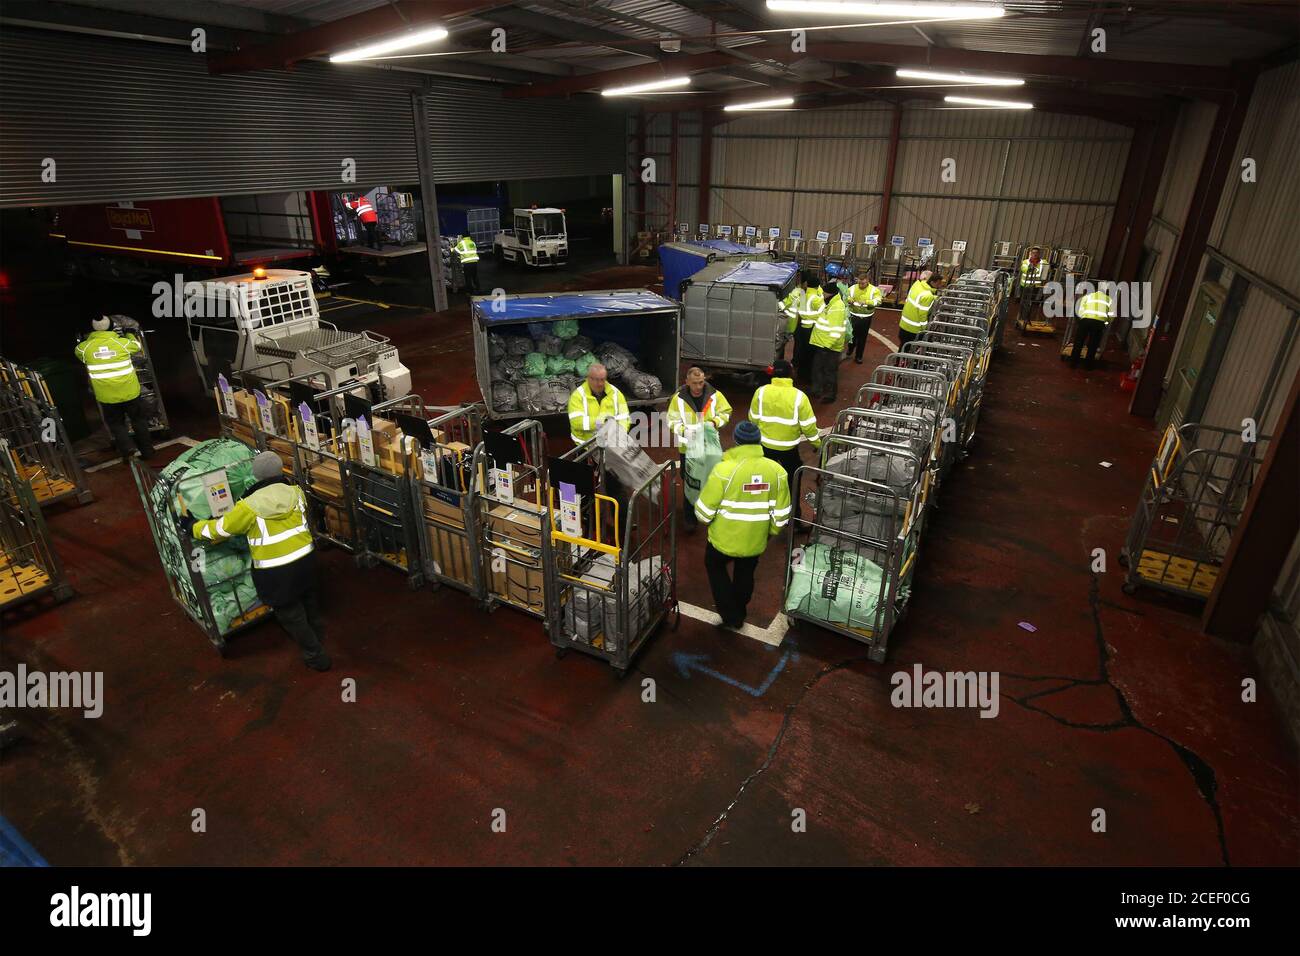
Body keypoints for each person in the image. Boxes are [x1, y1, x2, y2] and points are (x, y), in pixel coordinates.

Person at [185, 451, 330, 671]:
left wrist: (192, 526)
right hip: (306, 560)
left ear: (256, 475)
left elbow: (219, 530)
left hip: (276, 571)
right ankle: (318, 635)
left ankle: (315, 654)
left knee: (290, 613)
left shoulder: (248, 506)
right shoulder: (296, 492)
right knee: (309, 600)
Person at [694, 420, 791, 630]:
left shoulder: (724, 470)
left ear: (736, 441)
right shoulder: (777, 471)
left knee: (714, 566)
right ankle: (739, 609)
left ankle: (730, 614)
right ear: (759, 442)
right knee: (745, 573)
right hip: (756, 539)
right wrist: (770, 532)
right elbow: (782, 515)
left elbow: (703, 513)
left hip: (722, 539)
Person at [74, 316, 154, 461]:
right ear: (111, 327)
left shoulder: (84, 348)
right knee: (138, 421)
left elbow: (80, 352)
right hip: (130, 392)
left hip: (107, 396)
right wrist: (129, 332)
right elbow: (136, 346)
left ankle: (127, 448)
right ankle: (147, 452)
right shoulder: (122, 343)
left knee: (116, 424)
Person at [749, 359, 821, 518]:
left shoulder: (761, 392)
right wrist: (818, 444)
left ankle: (761, 515)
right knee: (792, 484)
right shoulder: (799, 397)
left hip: (765, 447)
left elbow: (753, 419)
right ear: (791, 374)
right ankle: (793, 518)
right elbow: (808, 426)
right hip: (788, 450)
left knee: (763, 483)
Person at [667, 367, 732, 531]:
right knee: (690, 482)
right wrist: (684, 431)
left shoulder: (715, 395)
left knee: (711, 480)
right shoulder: (678, 399)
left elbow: (726, 412)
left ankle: (708, 512)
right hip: (688, 448)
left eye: (701, 382)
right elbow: (671, 421)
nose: (698, 386)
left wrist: (715, 422)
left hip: (709, 447)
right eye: (695, 383)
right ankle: (690, 519)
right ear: (687, 382)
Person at [567, 363, 629, 446]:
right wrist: (603, 422)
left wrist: (616, 434)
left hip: (611, 444)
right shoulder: (577, 396)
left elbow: (624, 418)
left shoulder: (616, 393)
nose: (599, 383)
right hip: (586, 446)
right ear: (589, 379)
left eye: (602, 379)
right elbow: (577, 422)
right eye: (596, 379)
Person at [809, 288, 852, 403]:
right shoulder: (829, 303)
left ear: (830, 293)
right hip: (823, 344)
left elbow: (836, 329)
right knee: (818, 368)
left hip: (829, 347)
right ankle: (817, 390)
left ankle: (830, 395)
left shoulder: (837, 307)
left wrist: (828, 345)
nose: (822, 294)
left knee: (829, 371)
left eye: (824, 292)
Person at [842, 271, 884, 364]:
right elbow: (846, 296)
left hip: (866, 318)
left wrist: (867, 302)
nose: (861, 285)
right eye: (859, 283)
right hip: (854, 315)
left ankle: (859, 356)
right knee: (852, 335)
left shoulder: (874, 290)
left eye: (863, 283)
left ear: (868, 281)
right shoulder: (852, 288)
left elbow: (878, 301)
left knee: (862, 338)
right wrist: (850, 300)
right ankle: (850, 349)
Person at [1071, 283, 1115, 369]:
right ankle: (1087, 365)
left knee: (1079, 342)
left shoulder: (1088, 297)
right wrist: (1105, 323)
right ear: (1106, 291)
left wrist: (1082, 320)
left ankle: (1073, 363)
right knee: (1093, 344)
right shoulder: (1109, 300)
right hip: (1099, 323)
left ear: (1096, 289)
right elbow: (1112, 315)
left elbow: (1080, 310)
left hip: (1085, 321)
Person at [794, 272, 825, 384]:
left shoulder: (802, 295)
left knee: (802, 351)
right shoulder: (816, 299)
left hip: (802, 327)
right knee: (811, 354)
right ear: (817, 286)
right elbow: (823, 312)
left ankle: (800, 373)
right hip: (811, 329)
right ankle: (808, 376)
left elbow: (799, 311)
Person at [898, 270, 942, 347]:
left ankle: (900, 359)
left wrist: (935, 298)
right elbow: (922, 315)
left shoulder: (917, 285)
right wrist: (925, 328)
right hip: (914, 328)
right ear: (932, 282)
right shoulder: (928, 296)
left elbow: (918, 298)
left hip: (904, 324)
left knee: (903, 347)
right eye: (938, 283)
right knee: (911, 351)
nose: (939, 286)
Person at [779, 273, 806, 360]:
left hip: (784, 321)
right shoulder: (801, 292)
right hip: (792, 324)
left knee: (780, 345)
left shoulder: (790, 291)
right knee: (783, 343)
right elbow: (802, 310)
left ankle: (779, 362)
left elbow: (782, 305)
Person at [1019, 245, 1048, 324]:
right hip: (1025, 286)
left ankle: (1027, 318)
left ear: (1039, 254)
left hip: (1036, 286)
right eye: (1033, 252)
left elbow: (1045, 273)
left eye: (1037, 253)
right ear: (1030, 253)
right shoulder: (1026, 261)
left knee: (1031, 303)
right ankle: (1023, 317)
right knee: (1024, 302)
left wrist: (1034, 269)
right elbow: (1024, 269)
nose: (1035, 254)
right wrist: (1031, 268)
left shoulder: (1043, 262)